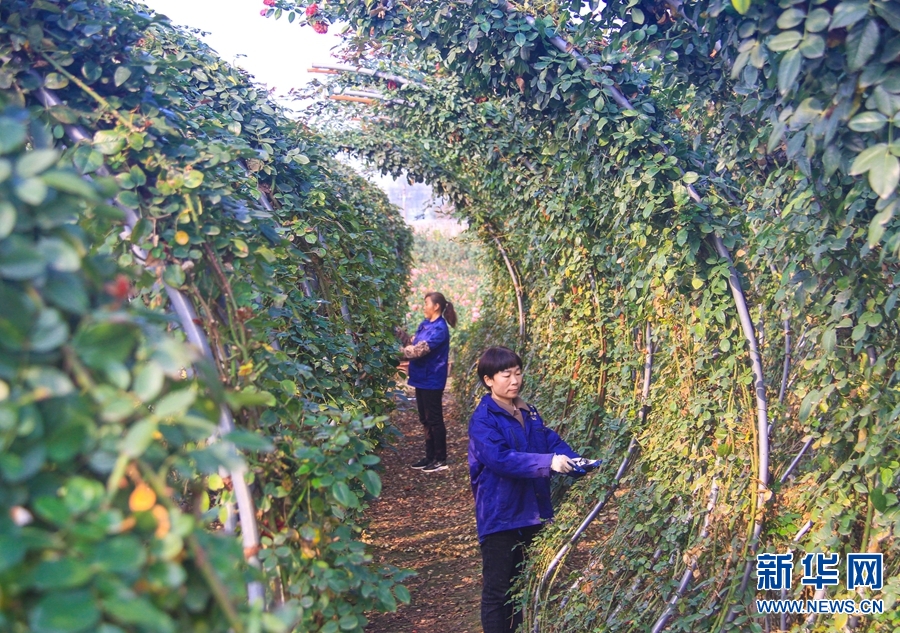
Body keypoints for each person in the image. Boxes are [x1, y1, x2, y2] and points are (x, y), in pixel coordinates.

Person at [468, 346, 593, 633]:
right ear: (488, 380)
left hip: (532, 511)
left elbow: (547, 440)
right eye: (506, 375)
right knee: (498, 591)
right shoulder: (483, 420)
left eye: (518, 373)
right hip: (501, 515)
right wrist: (549, 463)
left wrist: (572, 460)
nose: (515, 380)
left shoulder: (528, 412)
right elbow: (500, 459)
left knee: (521, 587)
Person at [400, 291, 457, 472]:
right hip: (420, 378)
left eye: (426, 303)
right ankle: (430, 456)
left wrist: (394, 353)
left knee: (434, 418)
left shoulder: (440, 328)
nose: (424, 307)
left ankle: (441, 458)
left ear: (436, 306)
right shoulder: (425, 324)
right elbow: (412, 341)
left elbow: (419, 350)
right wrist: (399, 334)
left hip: (432, 378)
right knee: (424, 418)